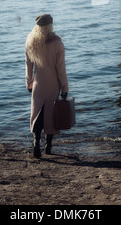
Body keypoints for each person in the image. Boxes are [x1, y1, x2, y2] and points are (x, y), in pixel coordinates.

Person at [25, 14, 68, 158]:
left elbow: (28, 66)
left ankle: (36, 144)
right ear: (51, 25)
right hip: (53, 84)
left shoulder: (31, 42)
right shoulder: (57, 43)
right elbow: (61, 69)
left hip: (38, 84)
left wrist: (29, 83)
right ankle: (48, 147)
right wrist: (65, 88)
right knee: (51, 115)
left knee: (37, 114)